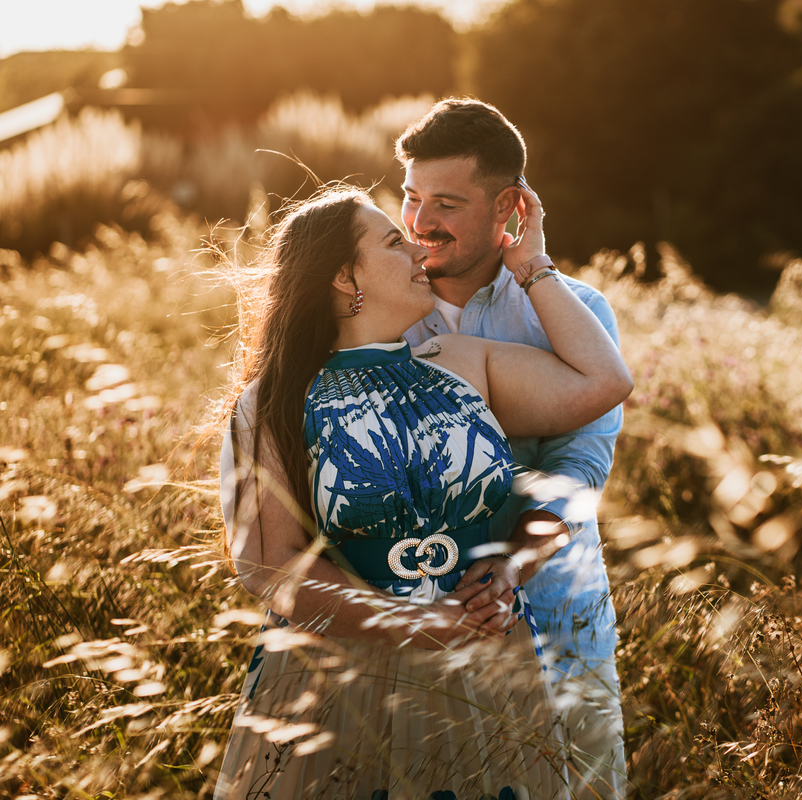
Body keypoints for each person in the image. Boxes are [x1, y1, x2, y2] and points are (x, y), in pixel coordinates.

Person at [213, 178, 632, 799]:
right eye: (392, 241)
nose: (417, 249)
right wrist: (415, 620)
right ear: (342, 277)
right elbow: (271, 568)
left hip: (488, 660)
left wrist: (532, 264)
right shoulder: (272, 402)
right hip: (344, 676)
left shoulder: (462, 362)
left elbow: (604, 381)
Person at [396, 99, 628, 799]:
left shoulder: (573, 311)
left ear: (508, 207)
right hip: (420, 628)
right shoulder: (381, 313)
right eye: (410, 197)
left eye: (446, 202)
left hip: (558, 617)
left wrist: (510, 570)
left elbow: (578, 471)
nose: (419, 222)